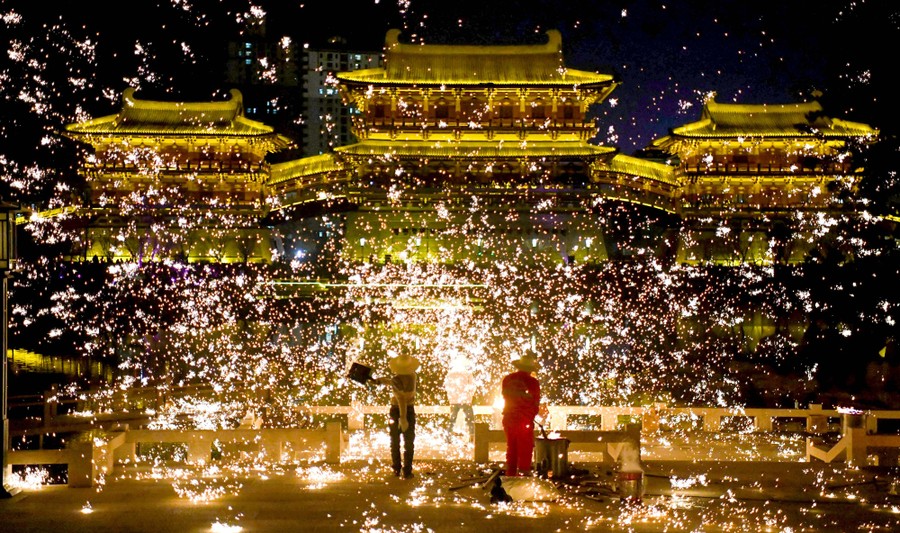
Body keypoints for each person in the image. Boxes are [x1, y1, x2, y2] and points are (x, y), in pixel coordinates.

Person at [374, 349, 420, 479]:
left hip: (397, 411)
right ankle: (407, 471)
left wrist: (402, 418)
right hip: (410, 410)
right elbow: (397, 383)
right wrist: (383, 381)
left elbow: (401, 399)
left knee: (395, 440)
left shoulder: (396, 379)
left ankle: (396, 468)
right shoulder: (413, 376)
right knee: (409, 441)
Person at [501, 351, 541, 477]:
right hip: (523, 420)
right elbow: (535, 403)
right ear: (530, 369)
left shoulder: (507, 379)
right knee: (525, 448)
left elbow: (505, 396)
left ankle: (510, 475)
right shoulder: (533, 382)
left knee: (511, 447)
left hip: (508, 418)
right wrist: (531, 415)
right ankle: (523, 476)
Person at [443, 355, 476, 438]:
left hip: (454, 400)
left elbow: (447, 386)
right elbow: (472, 386)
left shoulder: (450, 373)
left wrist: (450, 398)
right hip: (465, 399)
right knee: (470, 420)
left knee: (452, 419)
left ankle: (448, 436)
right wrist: (470, 397)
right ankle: (473, 436)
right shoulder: (467, 373)